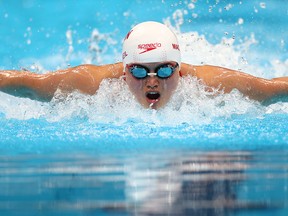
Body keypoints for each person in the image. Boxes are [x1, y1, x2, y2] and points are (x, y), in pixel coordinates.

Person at [0, 21, 287, 109]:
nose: (153, 81)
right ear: (124, 73)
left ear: (180, 70)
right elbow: (31, 84)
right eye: (139, 71)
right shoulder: (91, 84)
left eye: (164, 70)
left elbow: (271, 89)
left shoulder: (212, 86)